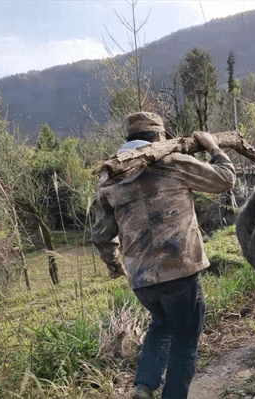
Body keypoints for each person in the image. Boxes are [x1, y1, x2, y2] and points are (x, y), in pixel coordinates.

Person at [91, 111, 236, 399]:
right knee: (185, 341)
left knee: (162, 324)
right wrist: (213, 147)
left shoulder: (110, 178)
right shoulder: (174, 162)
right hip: (179, 270)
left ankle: (143, 386)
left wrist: (114, 263)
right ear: (160, 137)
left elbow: (100, 234)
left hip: (141, 278)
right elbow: (225, 180)